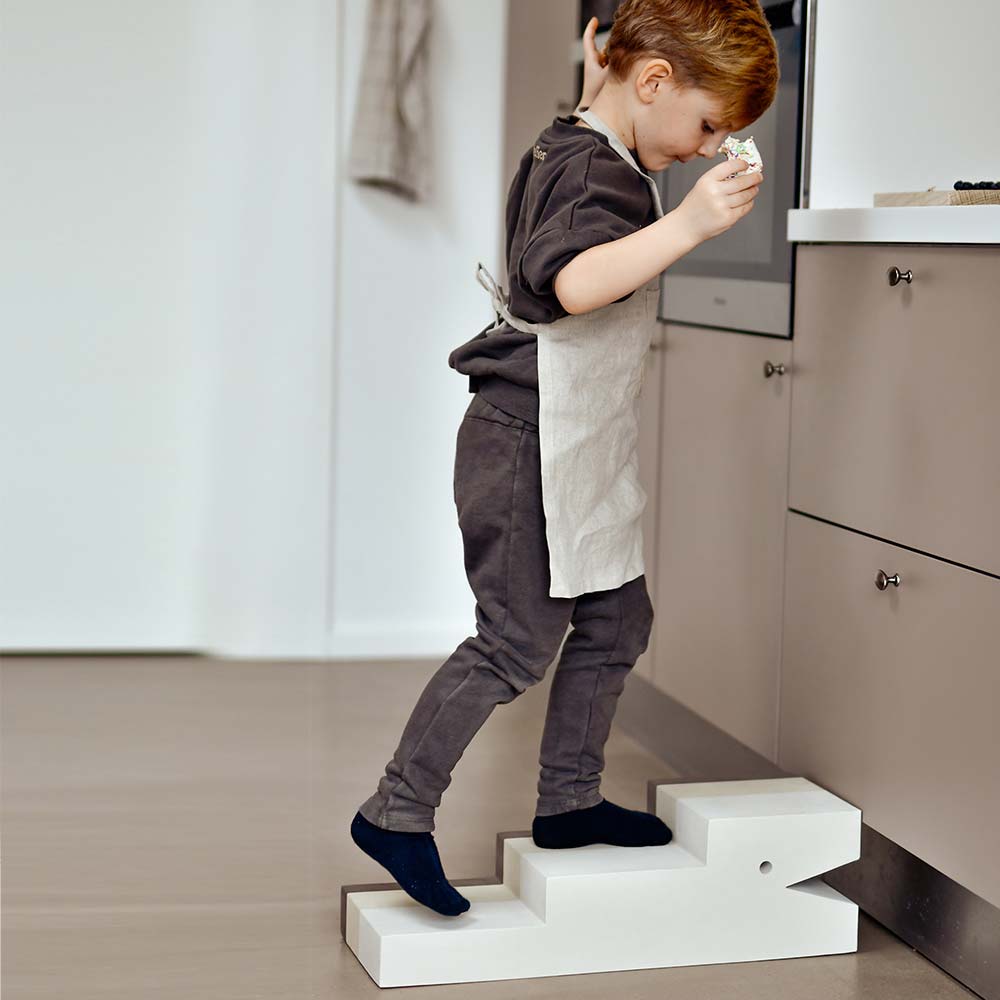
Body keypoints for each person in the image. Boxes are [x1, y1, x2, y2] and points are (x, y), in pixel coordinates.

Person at [350, 0, 778, 918]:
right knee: (514, 641)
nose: (710, 149)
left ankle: (570, 802)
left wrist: (603, 73)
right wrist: (692, 224)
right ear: (654, 82)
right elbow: (575, 283)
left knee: (617, 618)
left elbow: (607, 120)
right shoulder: (594, 169)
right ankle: (396, 810)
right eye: (710, 126)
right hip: (526, 440)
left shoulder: (589, 136)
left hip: (575, 435)